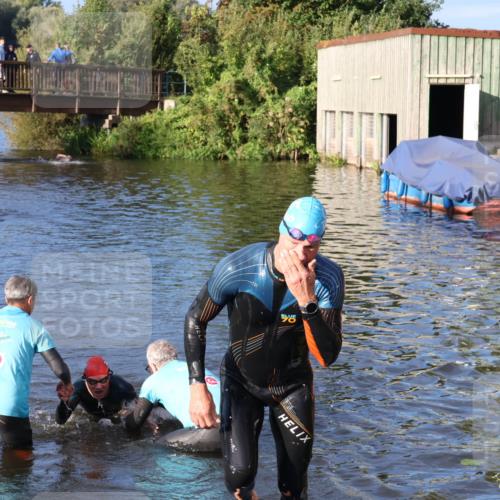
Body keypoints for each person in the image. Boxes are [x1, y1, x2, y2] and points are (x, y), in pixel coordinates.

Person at [185, 196, 344, 499]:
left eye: (310, 246)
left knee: (293, 484)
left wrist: (306, 301)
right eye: (294, 240)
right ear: (281, 229)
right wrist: (197, 387)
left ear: (320, 245)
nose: (300, 253)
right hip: (241, 382)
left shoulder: (328, 279)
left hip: (292, 386)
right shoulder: (239, 267)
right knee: (239, 478)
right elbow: (195, 318)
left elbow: (326, 357)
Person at [0, 276, 73, 458]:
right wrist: (67, 383)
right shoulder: (34, 327)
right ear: (30, 299)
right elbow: (60, 369)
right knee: (19, 463)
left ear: (6, 298)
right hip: (10, 408)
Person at [125, 339, 221, 451]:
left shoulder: (152, 381)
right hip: (240, 424)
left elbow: (134, 423)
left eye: (149, 368)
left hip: (210, 433)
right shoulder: (196, 370)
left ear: (153, 366)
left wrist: (124, 418)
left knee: (156, 445)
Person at [55, 355, 136, 425]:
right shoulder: (77, 390)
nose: (98, 387)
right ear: (85, 379)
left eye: (103, 380)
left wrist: (129, 415)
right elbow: (61, 422)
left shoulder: (122, 387)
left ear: (109, 377)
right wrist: (63, 402)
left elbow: (138, 411)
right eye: (92, 382)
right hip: (93, 418)